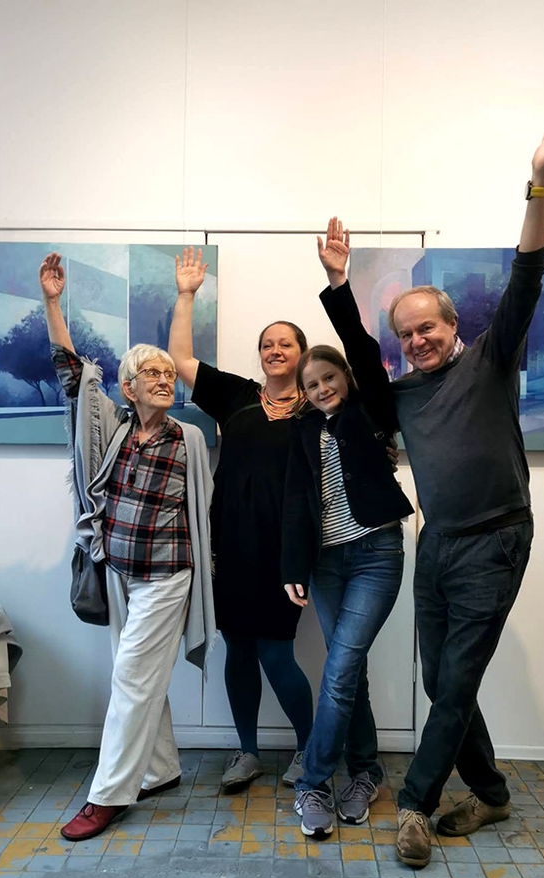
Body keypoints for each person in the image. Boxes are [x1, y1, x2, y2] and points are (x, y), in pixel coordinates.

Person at [317, 117, 544, 868]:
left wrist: (540, 181)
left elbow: (528, 272)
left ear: (453, 325)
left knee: (454, 681)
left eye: (429, 328)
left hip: (498, 538)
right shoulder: (400, 396)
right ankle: (492, 793)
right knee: (445, 679)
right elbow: (360, 357)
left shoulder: (491, 360)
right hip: (437, 541)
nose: (418, 341)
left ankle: (415, 804)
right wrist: (340, 286)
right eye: (406, 334)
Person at [39, 252, 215, 841]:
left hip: (167, 577)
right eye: (152, 375)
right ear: (128, 387)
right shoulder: (113, 430)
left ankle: (107, 795)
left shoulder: (187, 438)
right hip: (119, 573)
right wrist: (53, 304)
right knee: (135, 675)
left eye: (169, 374)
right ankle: (160, 769)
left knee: (132, 681)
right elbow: (73, 376)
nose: (165, 381)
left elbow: (205, 512)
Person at [168, 248, 313, 791]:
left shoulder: (317, 406)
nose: (275, 350)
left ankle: (310, 750)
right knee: (239, 649)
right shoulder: (236, 395)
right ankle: (247, 751)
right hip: (229, 546)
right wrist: (186, 295)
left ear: (302, 354)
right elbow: (180, 358)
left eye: (286, 343)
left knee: (277, 652)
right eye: (267, 344)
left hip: (285, 552)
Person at [282, 337, 413, 838]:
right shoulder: (304, 429)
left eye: (329, 377)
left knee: (338, 673)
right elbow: (296, 500)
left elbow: (365, 361)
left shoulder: (368, 412)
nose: (322, 389)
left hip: (376, 555)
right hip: (327, 564)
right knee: (350, 672)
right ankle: (365, 773)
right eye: (312, 384)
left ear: (346, 376)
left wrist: (336, 293)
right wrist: (292, 567)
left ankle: (312, 783)